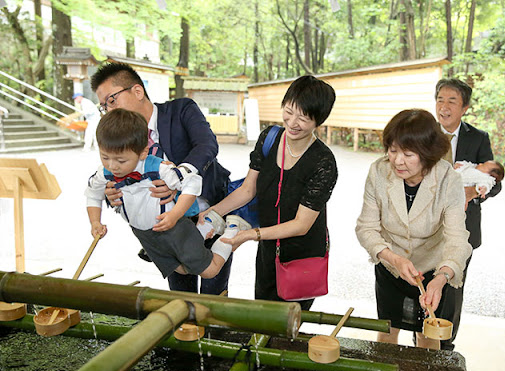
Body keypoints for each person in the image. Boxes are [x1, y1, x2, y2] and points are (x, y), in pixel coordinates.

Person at [90, 62, 232, 295]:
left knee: (214, 289)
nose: (109, 111)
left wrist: (177, 178)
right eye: (103, 106)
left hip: (210, 209)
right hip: (165, 228)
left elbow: (207, 145)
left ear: (137, 91)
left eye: (112, 100)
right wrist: (110, 193)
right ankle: (186, 329)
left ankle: (216, 331)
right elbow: (108, 172)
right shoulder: (117, 135)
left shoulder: (181, 110)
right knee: (180, 292)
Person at [199, 75, 338, 311]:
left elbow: (301, 225)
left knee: (289, 322)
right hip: (267, 247)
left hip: (301, 254)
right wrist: (212, 212)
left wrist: (252, 234)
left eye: (303, 118)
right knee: (263, 313)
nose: (293, 122)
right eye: (289, 111)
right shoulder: (269, 138)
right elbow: (247, 189)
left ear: (318, 121)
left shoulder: (323, 163)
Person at [355, 109, 472, 350]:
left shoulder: (448, 180)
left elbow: (458, 239)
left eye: (408, 154)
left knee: (428, 337)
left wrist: (441, 278)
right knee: (387, 331)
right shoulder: (379, 172)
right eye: (393, 150)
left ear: (428, 154)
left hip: (431, 269)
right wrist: (393, 259)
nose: (398, 161)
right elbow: (366, 228)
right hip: (391, 266)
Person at [85, 109, 245, 281]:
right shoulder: (105, 172)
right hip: (143, 233)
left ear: (143, 153)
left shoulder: (159, 168)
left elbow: (192, 183)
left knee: (209, 271)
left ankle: (232, 232)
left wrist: (175, 215)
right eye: (105, 157)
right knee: (181, 270)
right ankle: (204, 228)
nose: (112, 166)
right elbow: (93, 195)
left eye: (121, 160)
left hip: (173, 227)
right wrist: (95, 222)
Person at [434, 78, 502, 349]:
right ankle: (421, 339)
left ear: (465, 108)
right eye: (440, 99)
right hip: (427, 223)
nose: (444, 106)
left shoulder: (478, 138)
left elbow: (495, 183)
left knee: (452, 285)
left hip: (462, 226)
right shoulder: (424, 132)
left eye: (452, 101)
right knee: (424, 281)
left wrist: (473, 192)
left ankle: (445, 345)